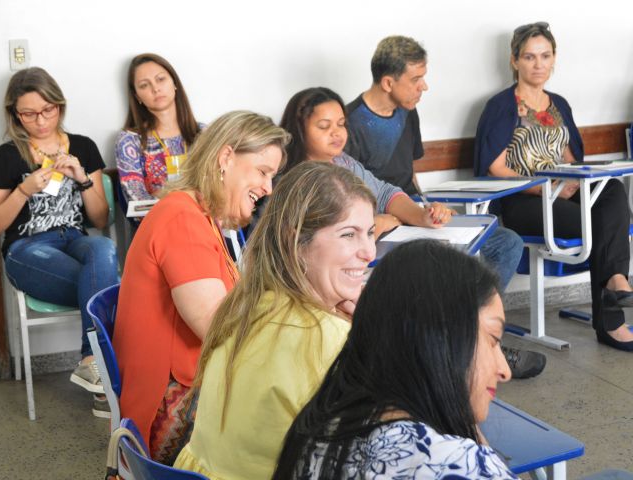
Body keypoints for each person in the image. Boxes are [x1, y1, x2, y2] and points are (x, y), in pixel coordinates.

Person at [346, 34, 545, 379]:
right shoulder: (346, 126)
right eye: (416, 79)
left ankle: (474, 335)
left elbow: (408, 178)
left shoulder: (408, 113)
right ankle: (477, 345)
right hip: (379, 228)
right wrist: (402, 217)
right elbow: (359, 198)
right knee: (446, 260)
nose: (425, 87)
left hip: (413, 215)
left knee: (505, 242)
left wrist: (430, 207)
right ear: (388, 82)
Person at [174, 162, 377, 479]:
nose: (369, 251)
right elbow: (374, 456)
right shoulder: (330, 339)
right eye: (348, 234)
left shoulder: (243, 307)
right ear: (295, 242)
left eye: (370, 233)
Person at [113, 111, 290, 463]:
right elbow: (217, 327)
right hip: (172, 406)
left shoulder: (197, 216)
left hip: (187, 388)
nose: (268, 188)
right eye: (263, 172)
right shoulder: (182, 219)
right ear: (225, 158)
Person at [272, 240, 515, 479]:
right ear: (438, 339)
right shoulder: (458, 464)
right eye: (493, 339)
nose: (505, 371)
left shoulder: (319, 433)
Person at [474, 22, 633, 351]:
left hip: (565, 191)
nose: (538, 64)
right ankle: (611, 319)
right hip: (524, 200)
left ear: (554, 58)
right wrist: (543, 187)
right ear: (514, 60)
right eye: (530, 57)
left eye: (545, 56)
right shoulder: (501, 106)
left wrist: (575, 182)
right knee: (596, 226)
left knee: (613, 193)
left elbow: (572, 158)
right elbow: (496, 168)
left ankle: (615, 283)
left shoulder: (558, 103)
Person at [0, 67, 119, 417]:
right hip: (26, 250)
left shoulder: (82, 147)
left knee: (104, 248)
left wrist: (83, 180)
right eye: (29, 113)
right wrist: (23, 190)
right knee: (109, 287)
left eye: (48, 110)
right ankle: (103, 377)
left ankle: (90, 361)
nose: (41, 120)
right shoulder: (6, 156)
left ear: (60, 106)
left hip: (75, 239)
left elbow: (99, 221)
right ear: (15, 115)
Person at [280, 86, 453, 239]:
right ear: (299, 130)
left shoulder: (343, 162)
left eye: (341, 124)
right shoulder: (293, 179)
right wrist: (377, 224)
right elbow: (325, 238)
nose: (336, 133)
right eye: (324, 126)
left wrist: (422, 216)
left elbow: (384, 194)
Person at [115, 53, 203, 204]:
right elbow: (138, 203)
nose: (155, 88)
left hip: (203, 221)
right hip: (160, 223)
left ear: (174, 83)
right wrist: (190, 193)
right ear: (137, 97)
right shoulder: (129, 141)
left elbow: (218, 190)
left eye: (160, 79)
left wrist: (163, 193)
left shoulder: (204, 134)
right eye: (144, 85)